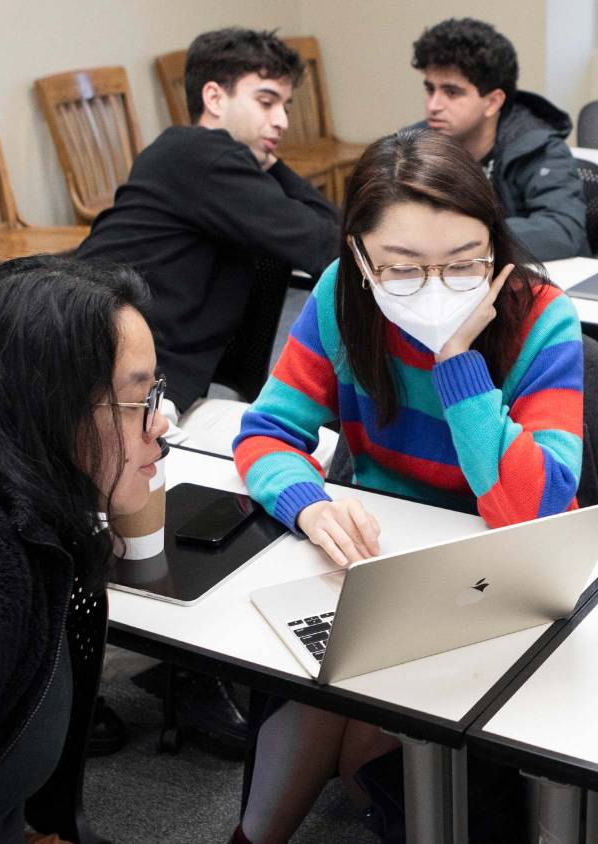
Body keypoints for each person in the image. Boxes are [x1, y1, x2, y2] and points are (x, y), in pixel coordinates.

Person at [230, 129, 583, 843]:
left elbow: (536, 510)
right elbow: (264, 434)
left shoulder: (543, 317)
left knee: (363, 728)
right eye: (401, 269)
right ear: (359, 257)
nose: (432, 290)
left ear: (495, 246)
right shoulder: (341, 298)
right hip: (382, 563)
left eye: (462, 265)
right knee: (325, 685)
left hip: (500, 584)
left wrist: (457, 362)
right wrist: (311, 501)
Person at [0, 256, 169, 843]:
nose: (160, 427)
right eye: (138, 401)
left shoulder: (24, 508)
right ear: (48, 402)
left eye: (156, 393)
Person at [77, 26, 340, 455]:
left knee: (313, 456)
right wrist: (272, 167)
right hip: (119, 385)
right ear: (215, 98)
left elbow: (334, 237)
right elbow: (329, 243)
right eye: (266, 101)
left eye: (284, 106)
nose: (282, 121)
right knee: (314, 459)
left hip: (158, 378)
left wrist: (270, 164)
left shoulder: (196, 157)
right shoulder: (205, 156)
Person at [409, 16, 589, 262]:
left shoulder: (537, 147)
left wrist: (457, 237)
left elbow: (563, 232)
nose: (434, 105)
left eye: (451, 92)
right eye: (430, 89)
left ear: (493, 102)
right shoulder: (411, 145)